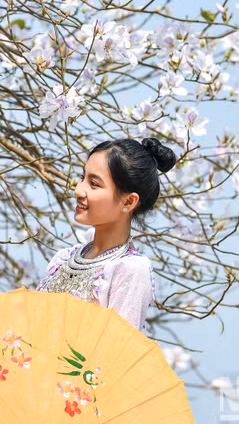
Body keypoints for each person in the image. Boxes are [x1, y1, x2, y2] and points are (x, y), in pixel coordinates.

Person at [38, 138, 176, 331]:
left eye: (94, 184)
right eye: (82, 177)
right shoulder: (63, 258)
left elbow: (117, 351)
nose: (78, 190)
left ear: (128, 202)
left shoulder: (129, 270)